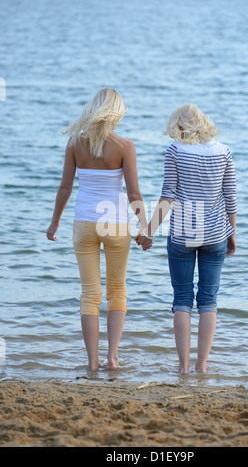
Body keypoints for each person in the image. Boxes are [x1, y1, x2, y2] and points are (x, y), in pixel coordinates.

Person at [47, 88, 148, 372]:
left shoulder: (74, 143)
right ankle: (112, 358)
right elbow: (133, 192)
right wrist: (144, 225)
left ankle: (92, 363)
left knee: (89, 294)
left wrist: (55, 221)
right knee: (117, 291)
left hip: (84, 223)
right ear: (116, 112)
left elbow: (65, 187)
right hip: (115, 224)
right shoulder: (125, 145)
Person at [136, 103, 237, 375]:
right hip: (216, 233)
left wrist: (148, 232)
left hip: (182, 234)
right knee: (208, 300)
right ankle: (201, 366)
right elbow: (230, 197)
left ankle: (182, 367)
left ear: (179, 126)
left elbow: (167, 195)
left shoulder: (175, 151)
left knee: (182, 298)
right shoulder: (223, 151)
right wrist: (232, 232)